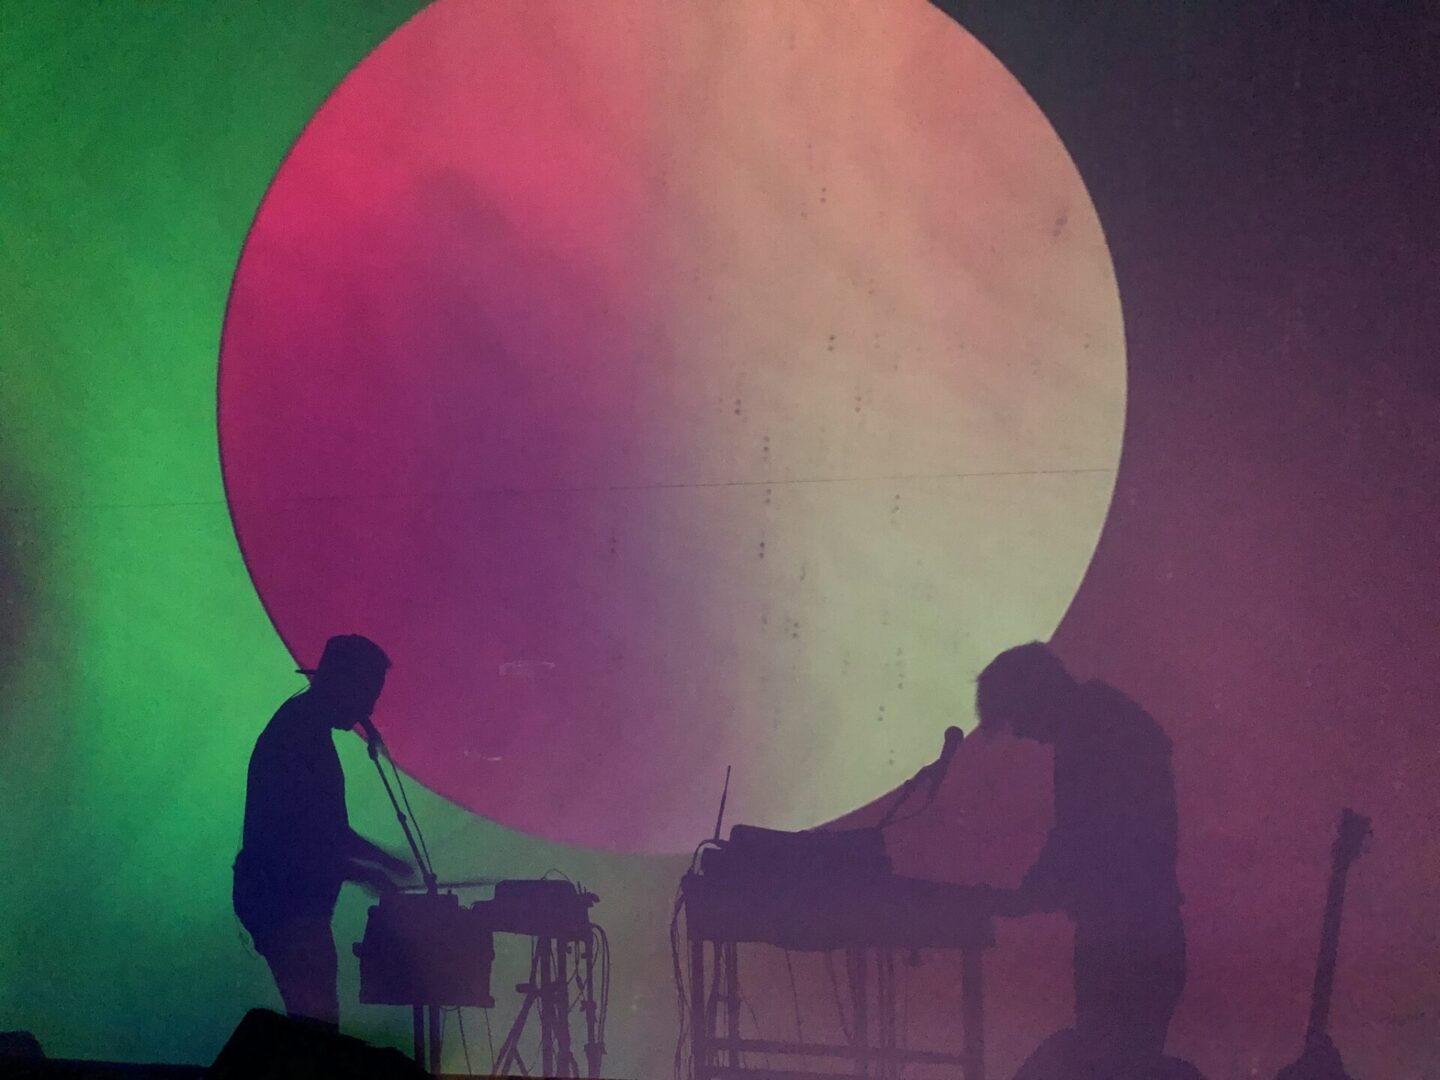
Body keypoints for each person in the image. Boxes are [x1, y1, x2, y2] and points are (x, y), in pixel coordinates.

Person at [974, 642, 1187, 1079]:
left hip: (1122, 935)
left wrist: (1027, 895)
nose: (1021, 732)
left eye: (1016, 716)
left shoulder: (1092, 733)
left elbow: (1082, 837)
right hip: (1144, 929)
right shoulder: (1103, 721)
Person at [233, 634, 413, 1027]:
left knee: (314, 1023)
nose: (370, 708)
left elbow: (327, 831)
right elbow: (299, 840)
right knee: (317, 1025)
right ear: (345, 684)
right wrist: (369, 870)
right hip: (284, 902)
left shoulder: (304, 728)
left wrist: (382, 861)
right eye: (368, 694)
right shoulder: (298, 737)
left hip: (284, 901)